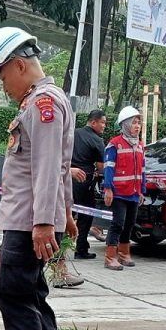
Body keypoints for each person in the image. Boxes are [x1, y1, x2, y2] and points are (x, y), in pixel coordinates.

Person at [0, 27, 76, 330]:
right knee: (34, 293)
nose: (4, 85)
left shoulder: (43, 105)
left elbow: (47, 166)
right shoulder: (42, 103)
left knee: (16, 296)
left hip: (28, 222)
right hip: (32, 219)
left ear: (19, 65)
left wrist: (43, 224)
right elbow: (61, 169)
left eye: (3, 75)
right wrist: (65, 215)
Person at [101, 106, 146, 271]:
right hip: (119, 192)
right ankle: (110, 256)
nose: (137, 126)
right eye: (134, 123)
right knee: (117, 223)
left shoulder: (140, 145)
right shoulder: (114, 144)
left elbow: (142, 169)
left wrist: (142, 190)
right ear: (125, 124)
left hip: (134, 193)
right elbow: (108, 168)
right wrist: (108, 188)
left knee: (130, 223)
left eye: (138, 123)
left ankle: (124, 253)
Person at [70, 109, 107, 260]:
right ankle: (81, 249)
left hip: (67, 176)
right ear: (93, 122)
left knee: (66, 213)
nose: (104, 126)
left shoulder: (73, 133)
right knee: (87, 213)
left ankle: (57, 249)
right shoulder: (97, 140)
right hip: (84, 181)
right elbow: (101, 167)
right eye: (103, 122)